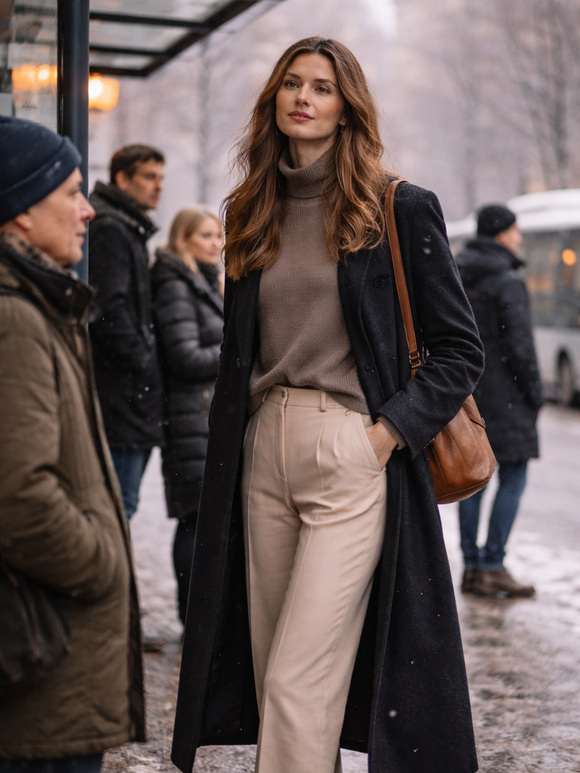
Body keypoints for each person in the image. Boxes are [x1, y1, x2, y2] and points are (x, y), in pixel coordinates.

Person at [172, 37, 485, 773]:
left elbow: (459, 350)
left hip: (349, 451)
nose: (303, 98)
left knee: (296, 680)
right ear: (273, 98)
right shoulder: (250, 209)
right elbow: (240, 353)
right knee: (273, 674)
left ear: (348, 108)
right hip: (262, 450)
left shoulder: (396, 207)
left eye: (321, 87)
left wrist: (384, 436)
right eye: (291, 83)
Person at [0, 117, 144, 771]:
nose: (87, 210)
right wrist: (103, 564)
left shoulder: (36, 302)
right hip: (44, 656)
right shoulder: (15, 317)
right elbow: (19, 495)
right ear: (22, 210)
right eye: (71, 193)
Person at [456, 204, 542, 598]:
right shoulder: (507, 281)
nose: (519, 238)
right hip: (507, 396)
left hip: (468, 394)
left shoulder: (457, 273)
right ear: (502, 234)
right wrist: (534, 394)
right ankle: (492, 565)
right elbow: (520, 346)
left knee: (471, 478)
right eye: (515, 230)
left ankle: (471, 567)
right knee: (513, 475)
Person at [151, 207, 224, 624]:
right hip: (190, 419)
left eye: (218, 235)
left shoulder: (202, 282)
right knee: (196, 521)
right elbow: (184, 356)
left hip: (203, 418)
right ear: (183, 239)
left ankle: (202, 622)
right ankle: (193, 623)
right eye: (206, 235)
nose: (216, 243)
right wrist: (235, 351)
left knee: (203, 521)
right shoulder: (176, 285)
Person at [88, 144, 165, 520]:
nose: (158, 186)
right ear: (122, 179)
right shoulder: (111, 228)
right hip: (120, 396)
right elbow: (108, 307)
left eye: (161, 178)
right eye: (149, 177)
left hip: (125, 394)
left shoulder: (124, 225)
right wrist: (142, 362)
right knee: (117, 509)